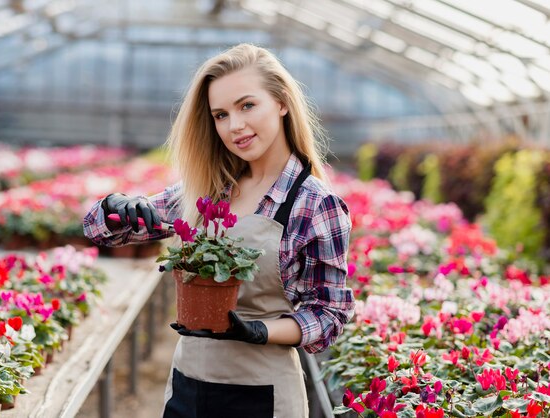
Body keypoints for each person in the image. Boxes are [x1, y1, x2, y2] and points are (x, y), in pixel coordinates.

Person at [83, 43, 355, 418]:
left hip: (261, 394)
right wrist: (116, 206)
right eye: (221, 115)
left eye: (247, 106)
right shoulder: (210, 189)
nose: (235, 126)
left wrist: (260, 331)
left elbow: (329, 313)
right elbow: (100, 231)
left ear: (281, 102)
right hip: (187, 387)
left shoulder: (313, 203)